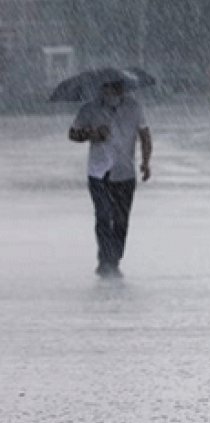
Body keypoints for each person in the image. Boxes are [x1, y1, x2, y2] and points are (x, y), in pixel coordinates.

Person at [68, 79, 152, 278]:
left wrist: (146, 162)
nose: (113, 92)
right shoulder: (89, 109)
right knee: (104, 215)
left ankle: (114, 259)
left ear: (123, 89)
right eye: (109, 87)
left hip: (125, 172)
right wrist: (91, 133)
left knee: (121, 219)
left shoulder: (134, 108)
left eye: (117, 88)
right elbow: (73, 134)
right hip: (99, 172)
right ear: (102, 88)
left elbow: (145, 135)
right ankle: (105, 260)